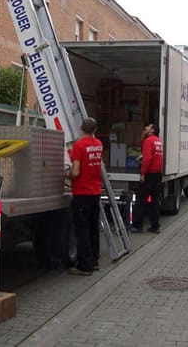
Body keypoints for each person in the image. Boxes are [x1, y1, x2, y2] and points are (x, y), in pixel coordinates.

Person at [66, 117, 103, 276]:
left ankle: (84, 266)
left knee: (82, 230)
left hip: (82, 193)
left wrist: (66, 176)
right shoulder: (99, 144)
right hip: (95, 192)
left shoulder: (79, 145)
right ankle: (94, 261)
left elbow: (75, 172)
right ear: (95, 130)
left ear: (81, 128)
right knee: (93, 228)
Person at [131, 122, 163, 234]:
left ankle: (137, 226)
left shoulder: (148, 141)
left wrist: (143, 173)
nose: (145, 127)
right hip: (157, 174)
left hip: (149, 174)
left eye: (148, 127)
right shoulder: (157, 140)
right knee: (154, 201)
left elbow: (147, 158)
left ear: (152, 130)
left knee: (140, 200)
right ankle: (155, 226)